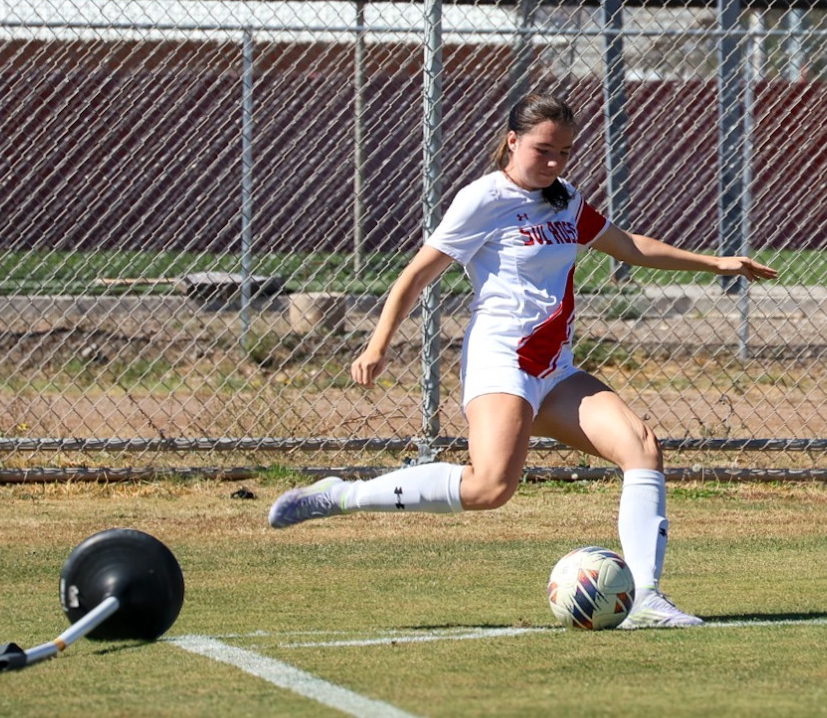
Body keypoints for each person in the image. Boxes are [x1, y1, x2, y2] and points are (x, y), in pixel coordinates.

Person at [268, 92, 778, 629]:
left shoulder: (564, 199)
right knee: (490, 487)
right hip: (501, 359)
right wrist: (378, 344)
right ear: (512, 141)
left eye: (565, 152)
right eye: (543, 150)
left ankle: (647, 598)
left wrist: (716, 262)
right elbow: (415, 275)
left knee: (641, 449)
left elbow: (626, 245)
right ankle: (339, 496)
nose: (555, 162)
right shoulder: (482, 199)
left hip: (554, 367)